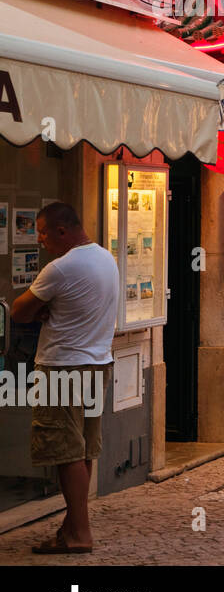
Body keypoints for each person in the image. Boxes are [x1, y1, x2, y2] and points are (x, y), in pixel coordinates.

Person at [10, 202, 119, 554]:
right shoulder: (106, 258)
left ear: (61, 231)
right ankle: (72, 526)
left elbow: (18, 310)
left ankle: (79, 534)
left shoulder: (61, 268)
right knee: (82, 448)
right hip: (98, 362)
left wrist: (40, 307)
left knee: (64, 450)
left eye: (42, 232)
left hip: (62, 367)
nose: (40, 240)